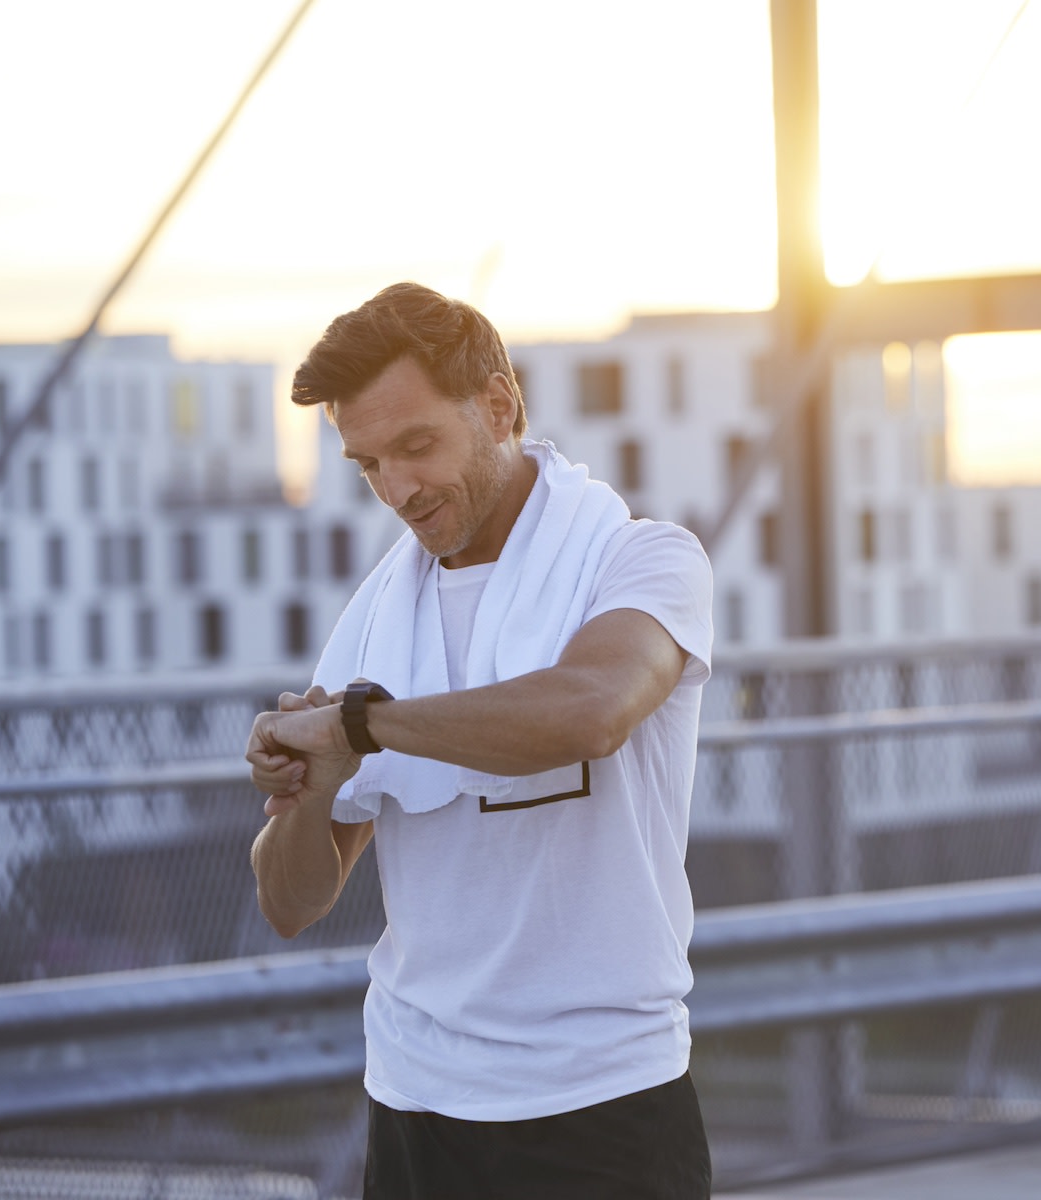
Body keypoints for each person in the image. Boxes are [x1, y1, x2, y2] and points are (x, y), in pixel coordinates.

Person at [245, 282, 714, 1199]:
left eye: (417, 445)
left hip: (603, 1102)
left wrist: (359, 725)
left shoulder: (643, 561)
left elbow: (590, 711)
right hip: (415, 1103)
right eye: (369, 463)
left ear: (499, 405)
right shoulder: (376, 621)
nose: (399, 489)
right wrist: (310, 791)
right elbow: (291, 902)